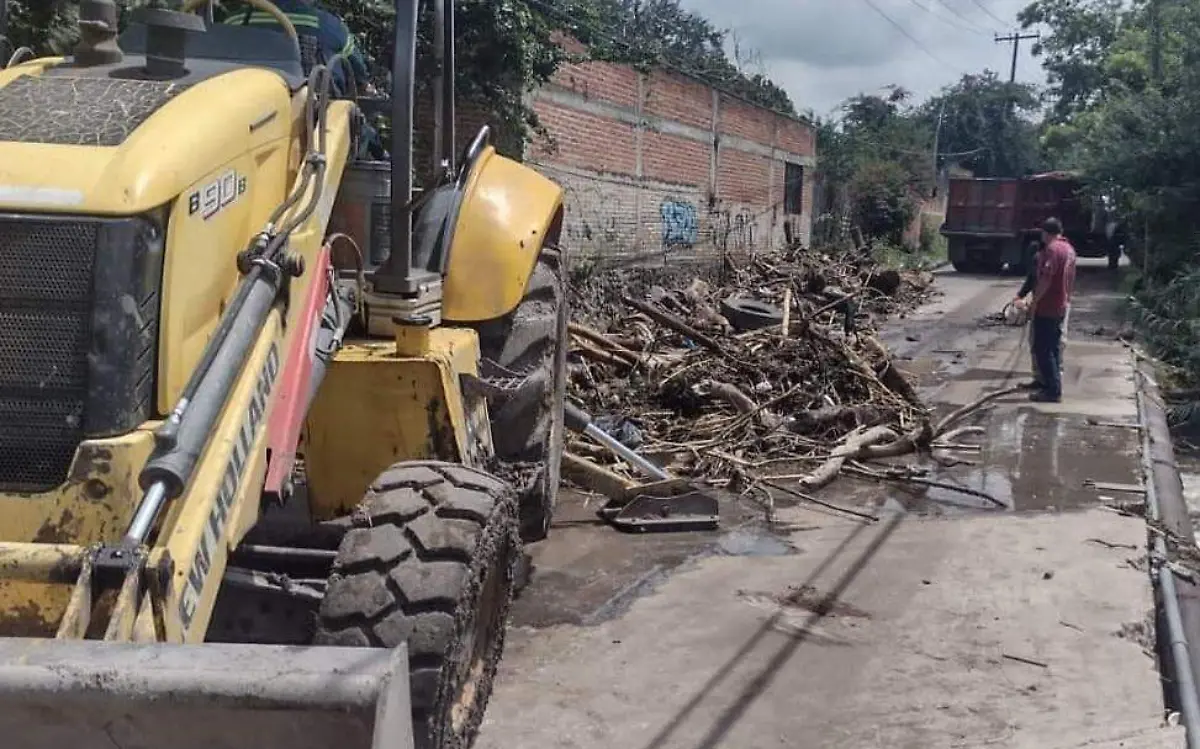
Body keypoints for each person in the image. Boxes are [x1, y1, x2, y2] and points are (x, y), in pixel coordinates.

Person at [221, 0, 370, 97]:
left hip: (244, 115)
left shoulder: (233, 21)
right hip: (313, 125)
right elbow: (360, 78)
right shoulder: (328, 25)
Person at [1026, 217, 1077, 403]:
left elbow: (1046, 280)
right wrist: (1068, 299)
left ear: (1045, 233)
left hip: (1048, 306)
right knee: (1053, 348)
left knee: (1042, 349)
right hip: (1061, 305)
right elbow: (1071, 279)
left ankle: (1052, 391)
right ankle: (1049, 384)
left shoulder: (1052, 250)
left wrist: (1035, 301)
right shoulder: (1069, 249)